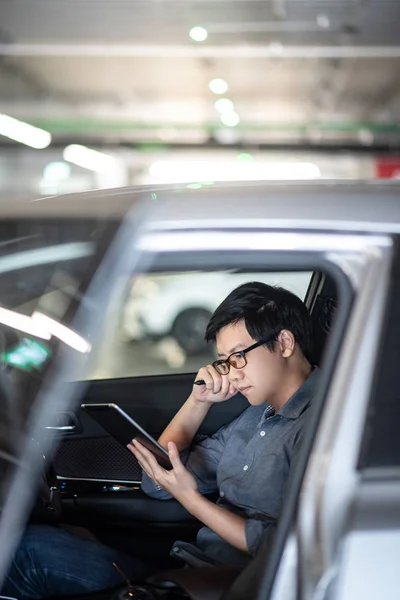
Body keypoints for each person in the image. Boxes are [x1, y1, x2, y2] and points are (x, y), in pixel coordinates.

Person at [2, 282, 318, 599]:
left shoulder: (322, 426)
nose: (231, 373)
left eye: (237, 357)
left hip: (226, 586)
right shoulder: (257, 415)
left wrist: (192, 500)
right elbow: (159, 481)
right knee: (31, 543)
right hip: (188, 570)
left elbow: (281, 547)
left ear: (284, 343)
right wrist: (199, 402)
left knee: (29, 556)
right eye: (224, 361)